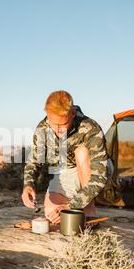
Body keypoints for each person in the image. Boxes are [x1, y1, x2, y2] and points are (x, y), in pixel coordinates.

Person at [22, 90, 108, 224]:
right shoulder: (43, 128)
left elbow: (99, 177)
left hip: (95, 170)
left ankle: (89, 210)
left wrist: (70, 206)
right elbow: (34, 161)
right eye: (52, 123)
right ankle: (78, 205)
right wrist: (28, 185)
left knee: (81, 152)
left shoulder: (91, 128)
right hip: (66, 171)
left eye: (62, 124)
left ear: (72, 113)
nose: (57, 130)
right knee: (52, 214)